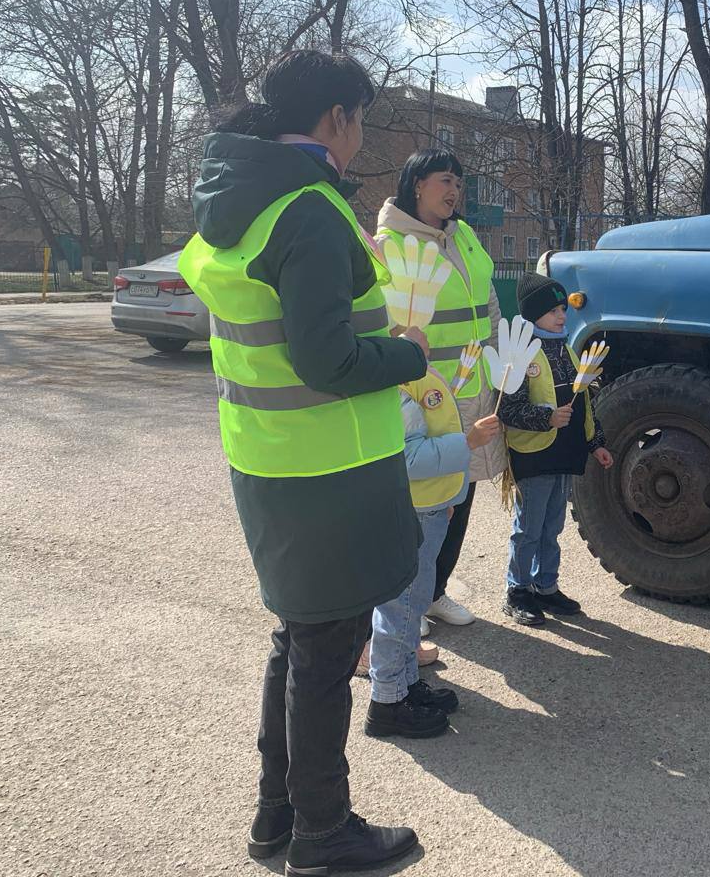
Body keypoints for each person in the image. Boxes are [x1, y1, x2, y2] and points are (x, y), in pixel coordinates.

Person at [178, 49, 430, 875]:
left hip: (269, 463)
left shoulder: (238, 202)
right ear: (336, 120)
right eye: (359, 121)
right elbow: (327, 361)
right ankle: (324, 834)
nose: (360, 139)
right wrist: (406, 355)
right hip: (330, 475)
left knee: (298, 643)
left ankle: (277, 817)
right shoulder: (310, 210)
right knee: (325, 657)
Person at [376, 151, 504, 630]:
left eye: (460, 183)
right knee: (420, 503)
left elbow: (487, 302)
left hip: (470, 390)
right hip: (421, 396)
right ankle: (402, 599)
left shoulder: (463, 235)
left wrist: (493, 366)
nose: (455, 192)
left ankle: (433, 592)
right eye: (445, 180)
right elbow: (382, 322)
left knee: (459, 496)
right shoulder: (390, 243)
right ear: (416, 185)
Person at [364, 368, 501, 738]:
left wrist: (446, 498)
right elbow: (407, 458)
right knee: (401, 608)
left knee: (413, 603)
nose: (425, 338)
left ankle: (406, 686)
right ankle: (387, 701)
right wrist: (469, 442)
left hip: (428, 509)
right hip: (415, 512)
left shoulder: (412, 379)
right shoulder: (395, 389)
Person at [496, 273, 613, 626]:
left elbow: (585, 404)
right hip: (534, 455)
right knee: (528, 526)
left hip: (564, 453)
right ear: (533, 315)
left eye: (563, 308)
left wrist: (595, 444)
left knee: (551, 526)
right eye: (552, 311)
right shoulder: (520, 352)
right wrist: (546, 418)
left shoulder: (565, 348)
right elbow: (507, 408)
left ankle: (546, 586)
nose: (562, 316)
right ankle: (518, 590)